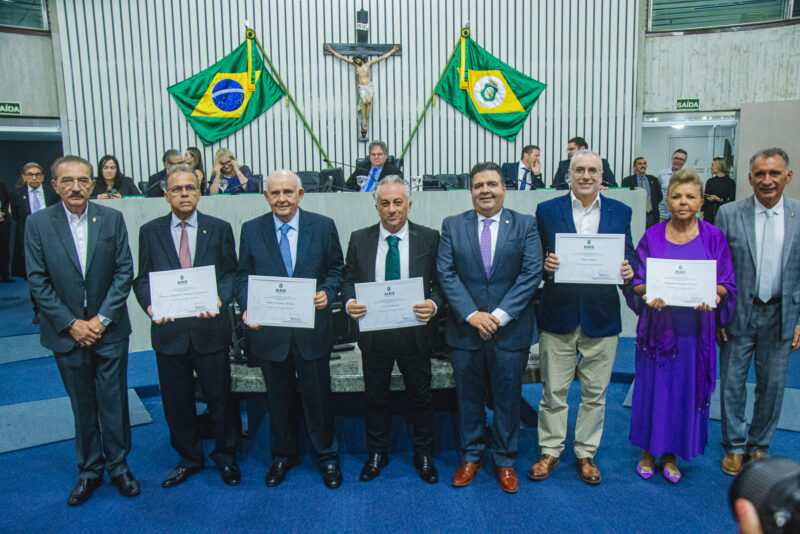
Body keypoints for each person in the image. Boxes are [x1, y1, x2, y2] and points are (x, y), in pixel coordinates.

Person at [25, 155, 139, 505]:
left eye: (84, 180)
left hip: (109, 330)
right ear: (55, 185)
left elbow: (124, 272)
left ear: (93, 184)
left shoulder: (112, 219)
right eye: (68, 180)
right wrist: (72, 324)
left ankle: (119, 467)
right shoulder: (38, 224)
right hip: (65, 332)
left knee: (114, 401)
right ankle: (90, 470)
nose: (76, 187)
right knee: (83, 404)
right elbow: (37, 280)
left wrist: (100, 319)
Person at [132, 164, 241, 488]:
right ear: (166, 195)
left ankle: (226, 457)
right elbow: (142, 279)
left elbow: (231, 274)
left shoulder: (219, 228)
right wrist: (150, 306)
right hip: (169, 333)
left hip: (210, 331)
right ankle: (189, 458)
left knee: (220, 397)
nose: (184, 194)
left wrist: (219, 299)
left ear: (199, 192)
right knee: (176, 401)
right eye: (177, 189)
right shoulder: (149, 231)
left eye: (190, 188)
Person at [531, 150, 636, 486]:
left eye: (593, 170)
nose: (587, 176)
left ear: (602, 176)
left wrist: (628, 266)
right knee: (553, 391)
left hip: (601, 317)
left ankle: (585, 452)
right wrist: (546, 266)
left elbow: (629, 251)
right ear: (569, 174)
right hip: (558, 314)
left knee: (595, 393)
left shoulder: (621, 211)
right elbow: (537, 255)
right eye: (580, 170)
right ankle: (550, 450)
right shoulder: (547, 211)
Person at [437, 162, 543, 493]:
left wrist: (498, 315)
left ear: (503, 188)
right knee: (467, 398)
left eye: (492, 184)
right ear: (470, 190)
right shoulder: (452, 225)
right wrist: (472, 314)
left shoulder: (525, 224)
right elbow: (446, 273)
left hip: (510, 331)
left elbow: (531, 273)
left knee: (508, 398)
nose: (486, 190)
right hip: (466, 331)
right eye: (479, 184)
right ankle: (470, 457)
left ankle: (505, 460)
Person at [236, 170, 345, 489]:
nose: (281, 199)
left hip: (313, 332)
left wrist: (328, 291)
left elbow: (337, 268)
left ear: (300, 194)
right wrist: (249, 305)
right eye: (274, 193)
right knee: (278, 400)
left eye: (287, 192)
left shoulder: (323, 226)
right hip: (270, 335)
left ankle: (327, 457)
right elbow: (243, 276)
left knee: (319, 400)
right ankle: (282, 456)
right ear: (265, 196)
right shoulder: (251, 230)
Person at [626, 168, 736, 483]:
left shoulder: (714, 237)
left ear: (701, 201)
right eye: (676, 196)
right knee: (652, 389)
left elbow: (727, 282)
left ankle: (672, 453)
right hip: (657, 328)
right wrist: (647, 293)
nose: (683, 202)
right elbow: (636, 280)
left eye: (690, 196)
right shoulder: (653, 235)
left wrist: (711, 295)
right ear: (668, 201)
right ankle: (648, 450)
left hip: (694, 331)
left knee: (681, 392)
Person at [342, 176, 442, 484]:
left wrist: (433, 305)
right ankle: (377, 453)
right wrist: (349, 302)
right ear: (376, 206)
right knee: (375, 397)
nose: (392, 209)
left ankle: (423, 454)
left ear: (410, 204)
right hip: (375, 334)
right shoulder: (359, 239)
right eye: (384, 203)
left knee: (421, 397)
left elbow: (440, 285)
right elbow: (348, 280)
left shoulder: (430, 238)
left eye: (398, 202)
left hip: (416, 332)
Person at [716, 148, 800, 476]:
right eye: (760, 174)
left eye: (774, 174)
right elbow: (719, 268)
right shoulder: (728, 213)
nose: (767, 181)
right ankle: (735, 447)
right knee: (732, 383)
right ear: (749, 178)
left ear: (787, 177)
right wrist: (719, 316)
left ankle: (759, 447)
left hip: (782, 314)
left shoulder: (798, 214)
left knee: (773, 384)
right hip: (738, 313)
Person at [10, 162, 59, 321]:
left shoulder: (52, 192)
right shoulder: (16, 194)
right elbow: (17, 217)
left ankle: (56, 309)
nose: (34, 177)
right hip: (29, 240)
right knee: (35, 276)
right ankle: (38, 310)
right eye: (30, 174)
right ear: (24, 177)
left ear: (43, 177)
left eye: (38, 174)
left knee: (55, 273)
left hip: (52, 238)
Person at [325, 45, 399, 138]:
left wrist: (392, 51)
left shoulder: (368, 64)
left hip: (369, 85)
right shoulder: (355, 65)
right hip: (362, 86)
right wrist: (331, 50)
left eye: (358, 60)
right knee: (364, 102)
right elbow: (342, 58)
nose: (357, 61)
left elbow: (382, 58)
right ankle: (364, 121)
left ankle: (365, 122)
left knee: (369, 102)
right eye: (356, 60)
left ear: (361, 59)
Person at [552, 136, 616, 189]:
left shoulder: (601, 163)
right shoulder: (563, 165)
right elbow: (555, 185)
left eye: (571, 149)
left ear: (582, 149)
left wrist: (604, 188)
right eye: (568, 150)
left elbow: (613, 185)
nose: (568, 152)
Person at [622, 157, 663, 228]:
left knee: (651, 237)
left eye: (644, 164)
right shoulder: (627, 181)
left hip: (651, 215)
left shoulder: (653, 179)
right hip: (635, 215)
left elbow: (659, 196)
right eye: (640, 164)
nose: (643, 166)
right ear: (634, 167)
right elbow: (624, 197)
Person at [701, 157, 736, 225]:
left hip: (721, 214)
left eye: (712, 165)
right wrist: (702, 211)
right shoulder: (710, 181)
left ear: (719, 167)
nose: (711, 167)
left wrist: (718, 199)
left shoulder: (730, 182)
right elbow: (705, 199)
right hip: (708, 214)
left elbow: (732, 201)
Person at [657, 149, 688, 220]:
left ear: (684, 162)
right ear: (672, 159)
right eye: (676, 158)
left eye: (681, 159)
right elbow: (657, 193)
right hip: (663, 214)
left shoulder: (688, 176)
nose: (678, 161)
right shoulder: (662, 174)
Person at [0, 181, 11, 282]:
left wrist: (3, 213)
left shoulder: (2, 186)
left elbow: (8, 202)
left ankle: (5, 274)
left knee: (3, 249)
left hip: (2, 221)